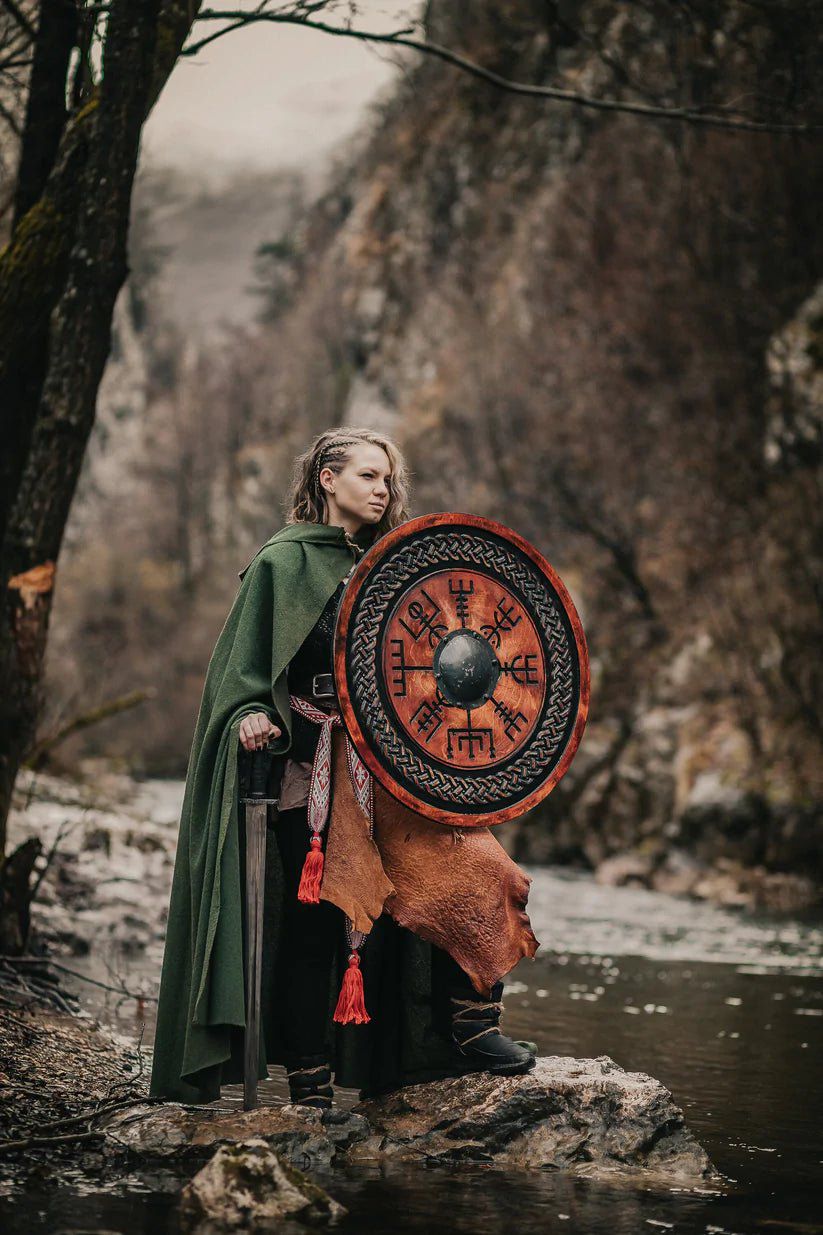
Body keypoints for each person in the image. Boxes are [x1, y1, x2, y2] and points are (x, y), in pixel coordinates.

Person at [149, 427, 538, 1108]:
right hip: (311, 764)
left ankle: (470, 1024)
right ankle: (308, 1077)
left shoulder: (396, 566)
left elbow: (433, 664)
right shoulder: (282, 562)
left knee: (483, 870)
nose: (381, 489)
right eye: (366, 475)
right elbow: (243, 670)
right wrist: (248, 712)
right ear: (325, 479)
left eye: (386, 478)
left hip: (393, 766)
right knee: (318, 927)